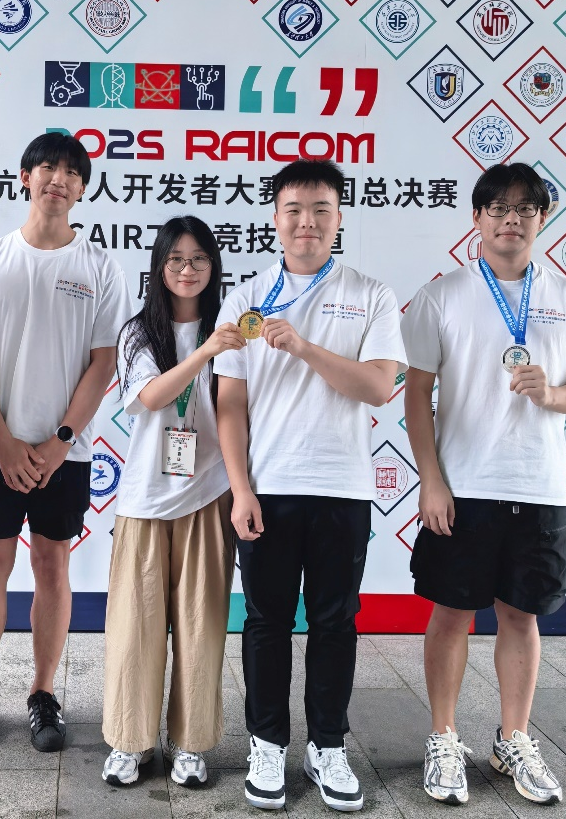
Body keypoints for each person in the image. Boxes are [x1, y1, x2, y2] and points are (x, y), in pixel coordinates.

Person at [401, 162, 566, 807]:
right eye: (497, 207)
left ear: (542, 219)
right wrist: (431, 480)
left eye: (525, 208)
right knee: (451, 612)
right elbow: (416, 396)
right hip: (464, 484)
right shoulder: (442, 296)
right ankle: (444, 737)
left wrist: (552, 394)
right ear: (476, 218)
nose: (510, 219)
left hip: (539, 484)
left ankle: (513, 739)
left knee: (521, 616)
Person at [215, 159, 406, 813]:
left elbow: (378, 386)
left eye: (320, 209)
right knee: (265, 622)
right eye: (294, 209)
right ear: (275, 218)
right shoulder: (245, 298)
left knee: (334, 622)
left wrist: (303, 348)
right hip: (267, 488)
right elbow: (230, 405)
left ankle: (327, 745)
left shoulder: (370, 295)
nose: (306, 222)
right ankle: (267, 742)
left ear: (338, 217)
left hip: (341, 488)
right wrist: (240, 489)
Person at [0, 132, 130, 758]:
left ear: (83, 188)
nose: (58, 179)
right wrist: (1, 440)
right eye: (47, 167)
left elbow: (103, 362)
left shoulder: (99, 267)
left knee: (52, 565)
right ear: (25, 177)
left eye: (72, 172)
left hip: (64, 454)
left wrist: (60, 441)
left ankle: (44, 691)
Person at [101, 216, 242, 789]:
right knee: (134, 627)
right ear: (160, 267)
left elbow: (238, 410)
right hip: (144, 499)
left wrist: (216, 343)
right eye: (176, 259)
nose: (188, 269)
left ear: (214, 266)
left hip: (209, 493)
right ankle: (129, 741)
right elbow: (152, 395)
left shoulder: (232, 328)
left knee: (201, 626)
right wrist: (206, 350)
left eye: (200, 259)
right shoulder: (139, 332)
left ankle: (190, 743)